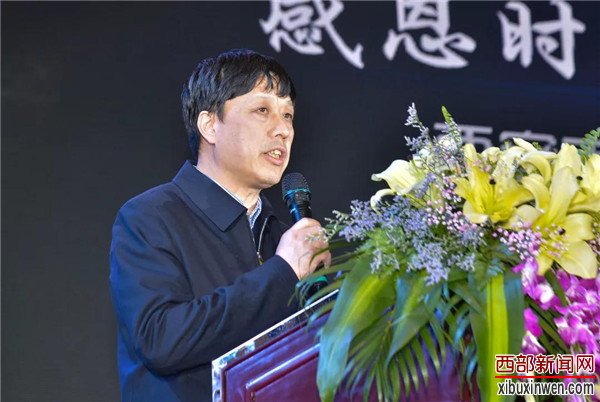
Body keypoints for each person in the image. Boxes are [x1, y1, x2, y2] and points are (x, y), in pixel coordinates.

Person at [109, 49, 331, 402]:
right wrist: (283, 272)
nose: (283, 129)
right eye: (262, 110)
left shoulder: (281, 235)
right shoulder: (150, 216)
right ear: (210, 125)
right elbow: (160, 338)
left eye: (288, 114)